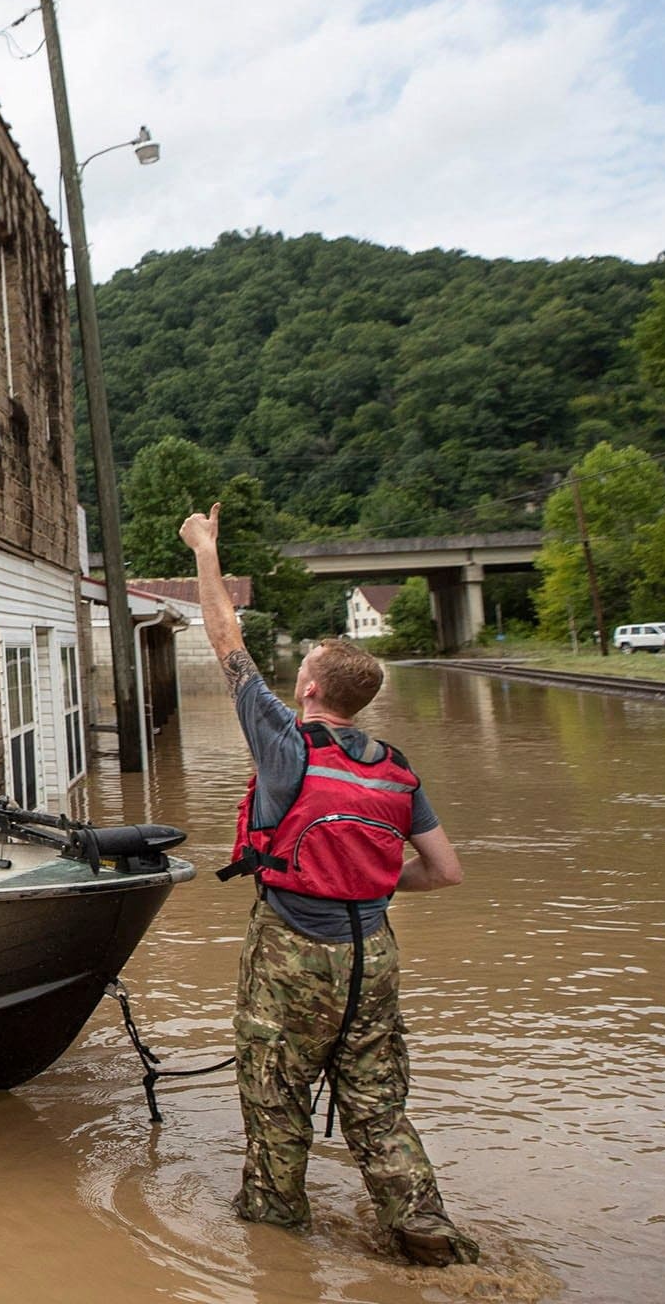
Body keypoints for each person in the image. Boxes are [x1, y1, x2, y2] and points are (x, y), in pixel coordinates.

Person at [178, 502, 480, 1267]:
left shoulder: (285, 746)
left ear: (310, 690)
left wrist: (205, 551)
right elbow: (446, 872)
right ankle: (427, 1234)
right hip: (372, 952)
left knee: (275, 1101)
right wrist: (369, 884)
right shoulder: (395, 768)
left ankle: (278, 1251)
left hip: (292, 954)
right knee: (378, 1107)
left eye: (303, 669)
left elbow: (225, 641)